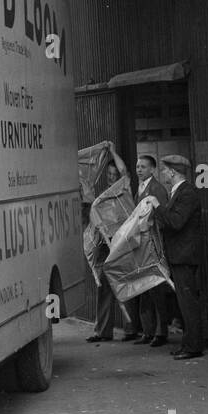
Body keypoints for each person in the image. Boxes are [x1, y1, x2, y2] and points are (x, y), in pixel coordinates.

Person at [143, 154, 203, 359]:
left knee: (188, 303)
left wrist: (157, 206)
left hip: (184, 256)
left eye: (165, 170)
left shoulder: (187, 194)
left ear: (173, 172)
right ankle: (188, 344)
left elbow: (176, 222)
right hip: (179, 255)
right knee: (184, 303)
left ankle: (193, 347)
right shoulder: (178, 192)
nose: (163, 173)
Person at [86, 144, 133, 342]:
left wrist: (113, 151)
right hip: (106, 246)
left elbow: (124, 171)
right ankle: (103, 331)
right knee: (104, 287)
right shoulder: (103, 194)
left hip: (122, 245)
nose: (112, 177)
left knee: (124, 285)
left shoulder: (124, 188)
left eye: (115, 174)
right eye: (109, 173)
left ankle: (132, 329)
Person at [125, 154, 172, 347]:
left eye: (143, 167)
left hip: (153, 246)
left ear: (152, 170)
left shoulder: (157, 189)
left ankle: (161, 332)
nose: (139, 170)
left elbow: (162, 217)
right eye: (137, 166)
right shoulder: (141, 188)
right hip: (141, 245)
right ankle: (148, 330)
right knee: (144, 288)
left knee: (157, 288)